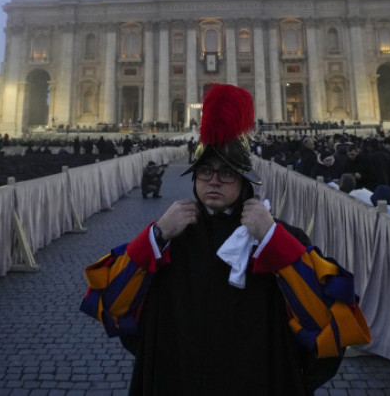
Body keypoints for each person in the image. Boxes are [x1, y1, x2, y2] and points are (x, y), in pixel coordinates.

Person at [81, 84, 370, 395]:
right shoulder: (169, 237)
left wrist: (274, 241)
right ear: (194, 178)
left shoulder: (279, 238)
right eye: (205, 172)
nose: (214, 181)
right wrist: (155, 235)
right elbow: (111, 302)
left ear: (244, 181)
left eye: (227, 173)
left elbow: (328, 319)